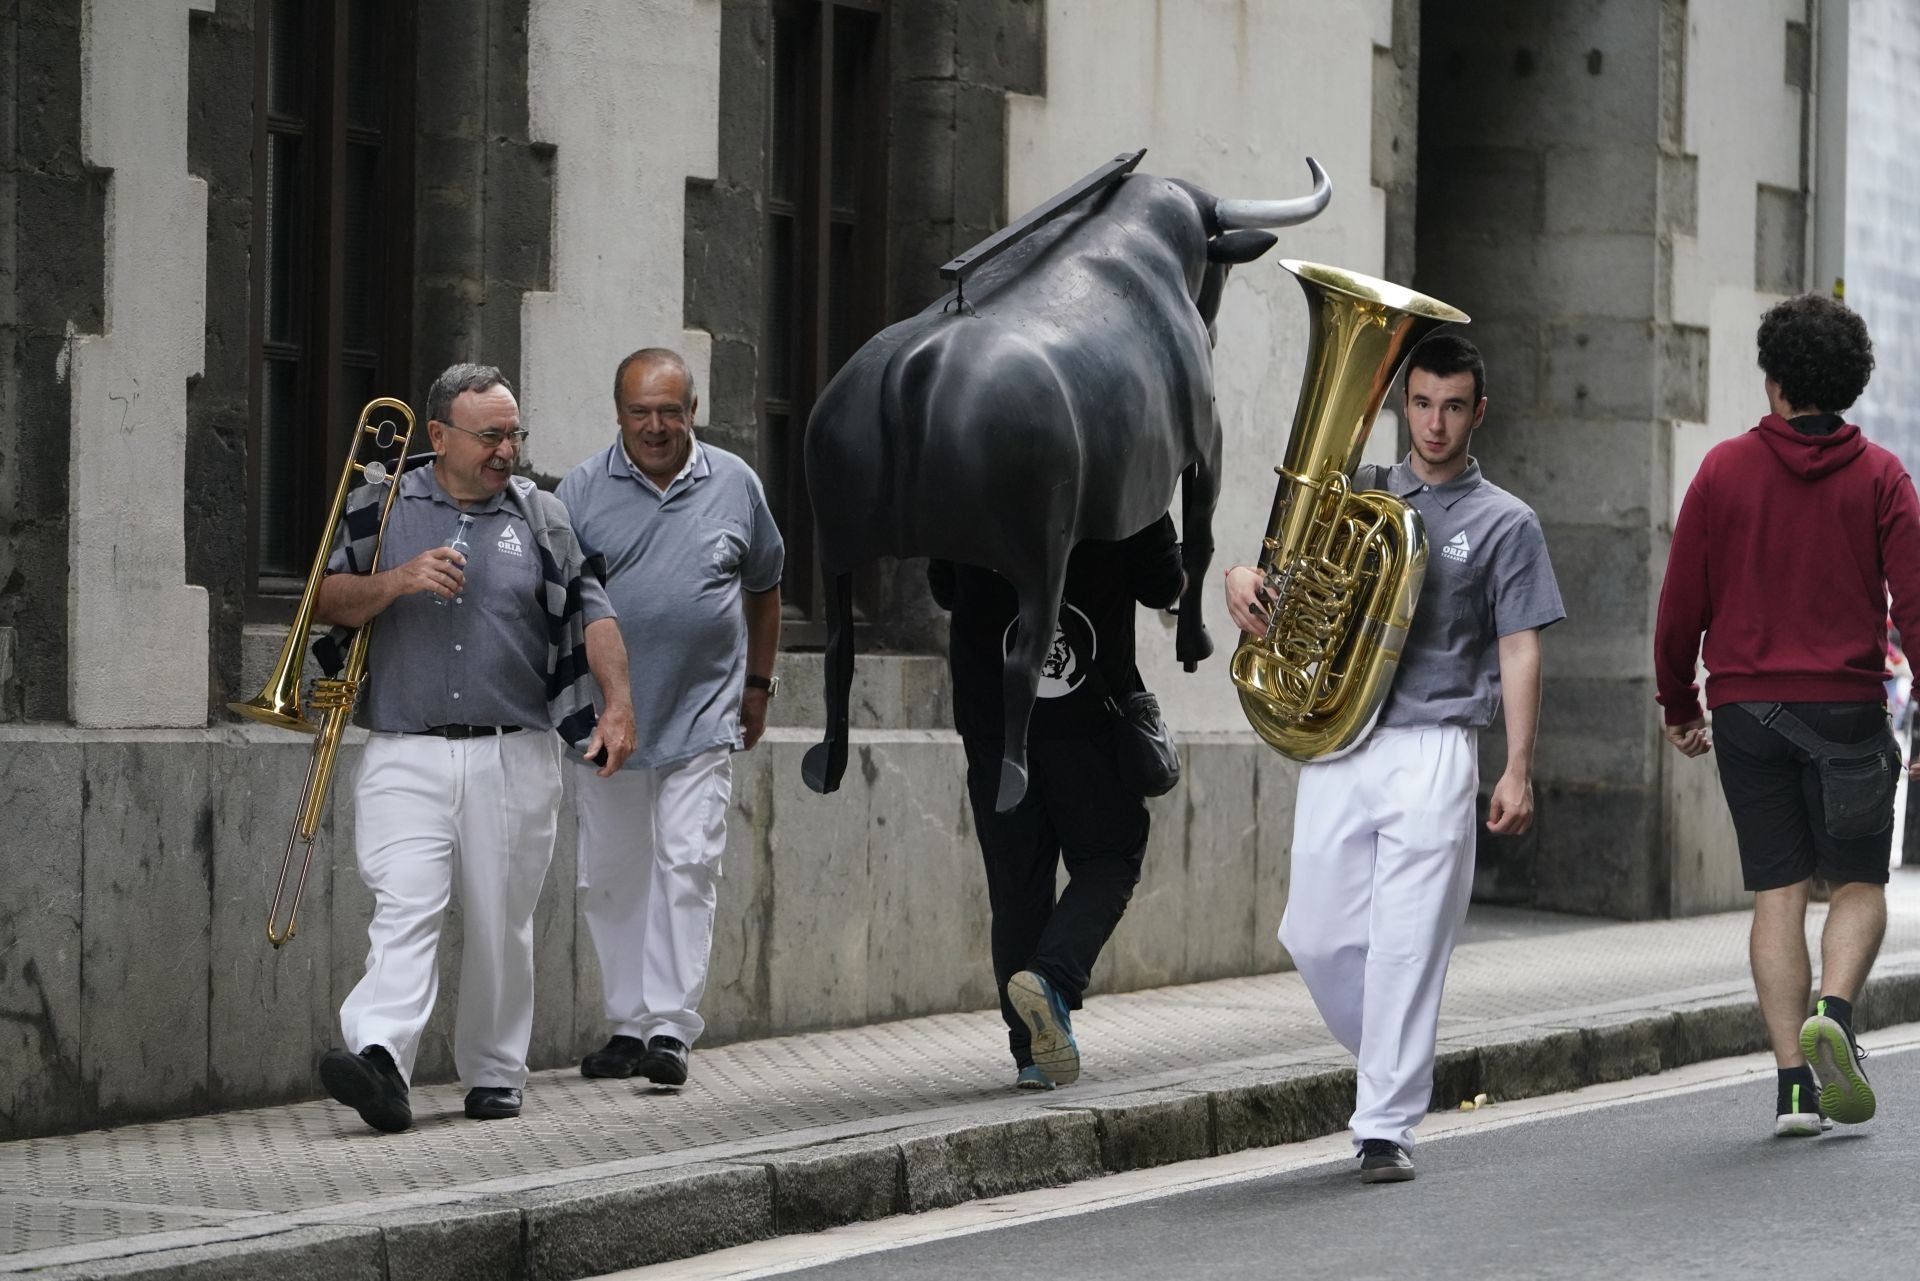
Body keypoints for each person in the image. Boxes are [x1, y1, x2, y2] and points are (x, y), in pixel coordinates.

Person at [1225, 334, 1563, 1183]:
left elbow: (1519, 647)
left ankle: (1384, 1123)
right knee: (1314, 933)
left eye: (1453, 406)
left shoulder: (1507, 521)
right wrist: (1238, 578)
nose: (1435, 423)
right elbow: (1279, 574)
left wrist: (1516, 765)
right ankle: (1394, 1056)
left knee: (1409, 944)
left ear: (1477, 412)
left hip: (1435, 745)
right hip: (1342, 738)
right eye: (1420, 403)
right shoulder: (1359, 493)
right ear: (1400, 405)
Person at [312, 363, 637, 1133]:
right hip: (404, 747)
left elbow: (595, 613)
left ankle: (494, 1071)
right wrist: (397, 580)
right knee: (405, 906)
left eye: (513, 433)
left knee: (501, 919)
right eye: (491, 435)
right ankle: (382, 1060)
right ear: (439, 435)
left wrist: (618, 704)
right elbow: (325, 596)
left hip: (513, 749)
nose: (507, 450)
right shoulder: (380, 497)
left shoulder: (543, 514)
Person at [1655, 294, 1920, 1138]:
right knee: (1858, 882)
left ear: (1774, 385)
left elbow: (1678, 609)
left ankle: (1794, 1091)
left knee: (1777, 892)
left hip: (1746, 710)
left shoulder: (1723, 471)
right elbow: (1917, 607)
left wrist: (1678, 701)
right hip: (1845, 709)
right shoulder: (1883, 476)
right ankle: (1836, 1017)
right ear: (1850, 386)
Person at [558, 347, 784, 1089]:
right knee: (612, 875)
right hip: (608, 721)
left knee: (687, 863)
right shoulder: (583, 490)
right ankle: (627, 1023)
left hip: (702, 712)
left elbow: (766, 585)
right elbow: (560, 605)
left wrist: (757, 686)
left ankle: (668, 1027)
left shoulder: (736, 484)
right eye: (639, 411)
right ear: (618, 413)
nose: (655, 426)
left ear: (694, 411)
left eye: (669, 411)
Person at [929, 514, 1185, 1090]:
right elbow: (1162, 584)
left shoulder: (972, 457)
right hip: (1088, 715)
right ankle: (1051, 979)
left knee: (1017, 886)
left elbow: (944, 587)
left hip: (993, 717)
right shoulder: (1114, 451)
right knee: (1112, 855)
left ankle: (1032, 1054)